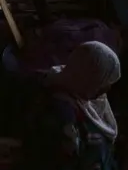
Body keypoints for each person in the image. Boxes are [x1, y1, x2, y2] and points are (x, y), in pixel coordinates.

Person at [20, 41, 121, 170]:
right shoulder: (62, 115)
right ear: (88, 79)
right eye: (102, 83)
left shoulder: (68, 77)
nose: (106, 89)